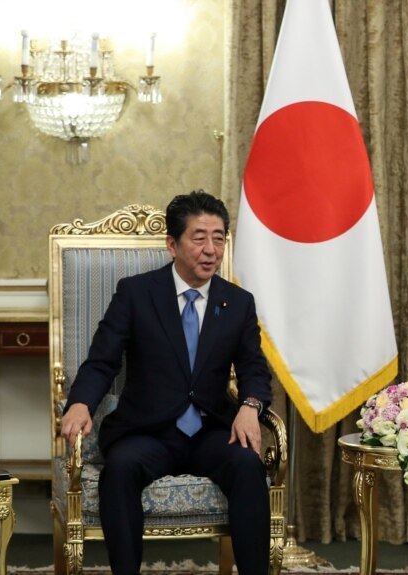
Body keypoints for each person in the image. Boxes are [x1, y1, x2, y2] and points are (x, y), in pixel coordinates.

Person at [59, 190, 273, 575]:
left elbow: (255, 369)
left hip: (210, 431)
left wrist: (250, 406)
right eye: (199, 238)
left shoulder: (237, 302)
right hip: (148, 431)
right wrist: (80, 403)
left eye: (219, 238)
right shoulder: (136, 293)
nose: (211, 250)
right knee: (120, 468)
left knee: (247, 464)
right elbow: (102, 361)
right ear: (172, 245)